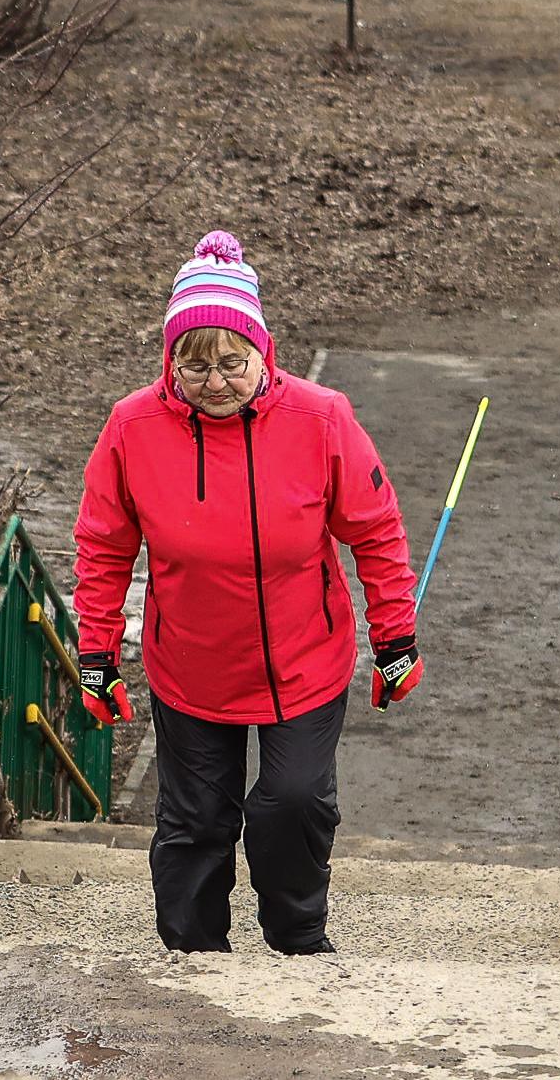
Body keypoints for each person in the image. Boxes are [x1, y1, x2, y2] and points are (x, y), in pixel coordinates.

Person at [72, 229, 425, 955]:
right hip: (192, 665)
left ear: (264, 352)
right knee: (195, 820)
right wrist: (96, 654)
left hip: (303, 659)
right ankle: (194, 957)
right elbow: (104, 545)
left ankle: (297, 940)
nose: (216, 381)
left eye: (232, 362)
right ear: (169, 363)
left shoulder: (322, 418)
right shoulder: (131, 426)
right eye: (194, 367)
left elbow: (376, 529)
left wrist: (395, 638)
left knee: (293, 803)